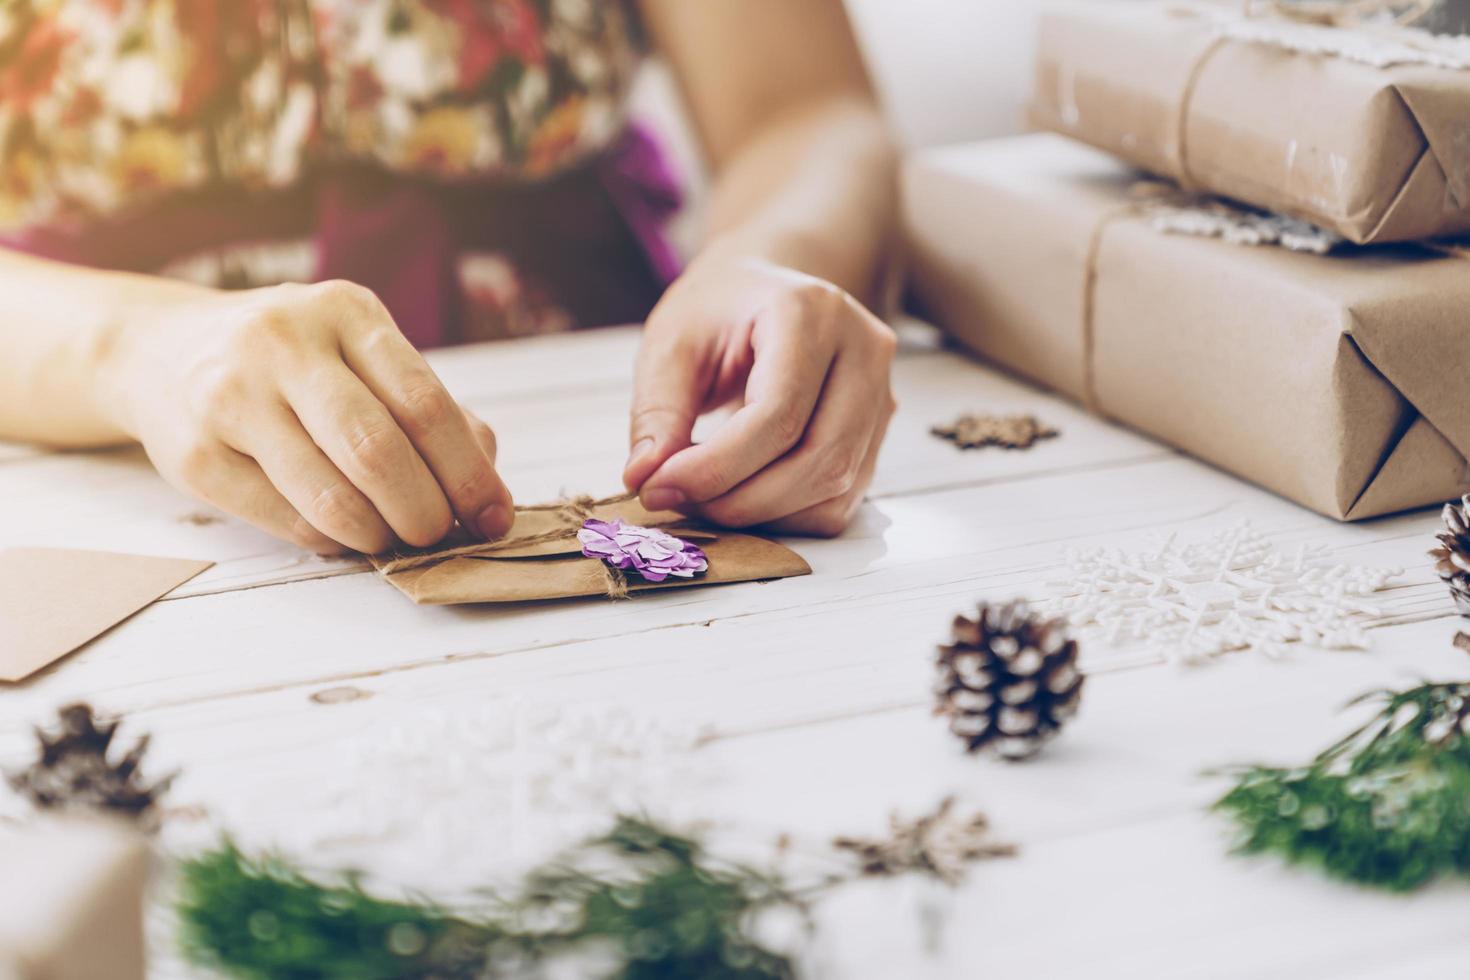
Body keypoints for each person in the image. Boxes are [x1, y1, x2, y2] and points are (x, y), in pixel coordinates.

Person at [0, 0, 898, 553]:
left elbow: (808, 110)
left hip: (613, 397)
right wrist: (135, 348)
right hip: (94, 454)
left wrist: (772, 253)